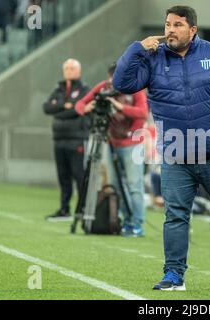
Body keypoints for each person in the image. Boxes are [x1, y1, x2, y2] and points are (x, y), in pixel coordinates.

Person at [113, 5, 210, 292]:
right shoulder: (153, 58)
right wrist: (136, 50)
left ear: (192, 30)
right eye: (167, 24)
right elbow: (122, 83)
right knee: (175, 215)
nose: (170, 29)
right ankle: (174, 275)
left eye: (178, 25)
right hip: (175, 154)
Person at [75, 65, 149, 237]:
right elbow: (80, 103)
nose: (113, 83)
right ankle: (123, 221)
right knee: (115, 186)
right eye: (111, 79)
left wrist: (119, 106)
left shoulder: (135, 89)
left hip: (133, 143)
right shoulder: (104, 88)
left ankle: (137, 225)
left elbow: (142, 113)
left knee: (134, 186)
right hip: (111, 142)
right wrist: (85, 108)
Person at [43, 59, 90, 221]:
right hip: (59, 139)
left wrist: (60, 108)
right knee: (63, 177)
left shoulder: (84, 89)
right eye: (67, 68)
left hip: (77, 139)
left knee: (79, 175)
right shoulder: (58, 89)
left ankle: (82, 209)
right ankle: (64, 209)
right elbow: (47, 107)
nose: (69, 71)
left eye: (72, 68)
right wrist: (65, 105)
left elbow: (77, 110)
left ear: (79, 71)